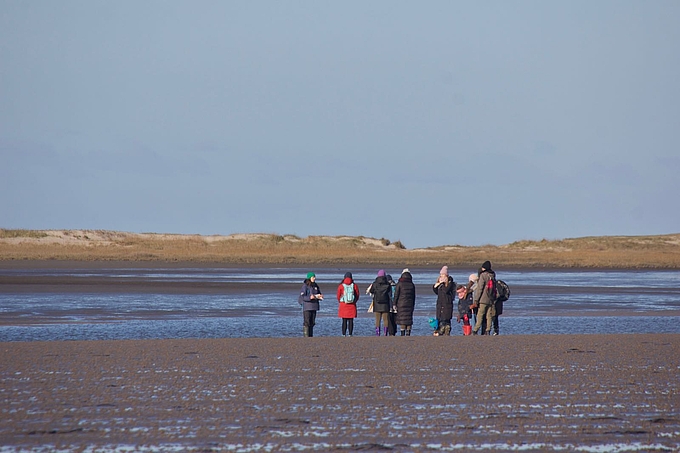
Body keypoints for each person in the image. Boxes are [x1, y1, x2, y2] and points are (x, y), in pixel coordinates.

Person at [472, 261, 496, 336]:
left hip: (483, 299)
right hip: (490, 298)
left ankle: (475, 330)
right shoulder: (492, 275)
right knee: (489, 315)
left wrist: (476, 299)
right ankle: (488, 330)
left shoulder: (483, 275)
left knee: (480, 315)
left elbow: (480, 288)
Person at [432, 265, 455, 336]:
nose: (441, 276)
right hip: (440, 304)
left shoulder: (450, 283)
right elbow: (437, 292)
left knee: (445, 319)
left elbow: (446, 290)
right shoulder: (440, 283)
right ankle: (439, 331)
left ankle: (445, 331)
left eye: (443, 275)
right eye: (441, 275)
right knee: (439, 318)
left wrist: (443, 283)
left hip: (447, 304)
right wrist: (436, 286)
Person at [368, 269, 392, 336]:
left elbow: (371, 291)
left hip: (377, 304)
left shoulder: (375, 284)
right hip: (385, 304)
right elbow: (390, 293)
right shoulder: (388, 284)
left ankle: (377, 333)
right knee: (385, 320)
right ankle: (385, 333)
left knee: (377, 320)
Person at [299, 272, 323, 337]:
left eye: (314, 277)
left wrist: (320, 296)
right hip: (307, 306)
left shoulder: (316, 285)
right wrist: (310, 297)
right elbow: (302, 296)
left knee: (312, 322)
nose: (314, 278)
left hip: (314, 306)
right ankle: (306, 337)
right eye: (313, 277)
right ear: (309, 278)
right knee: (307, 322)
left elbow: (319, 293)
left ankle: (311, 336)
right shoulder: (305, 286)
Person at [393, 268, 416, 336]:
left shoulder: (400, 283)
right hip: (410, 304)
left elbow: (396, 294)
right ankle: (408, 333)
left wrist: (394, 303)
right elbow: (413, 296)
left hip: (401, 304)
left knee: (402, 319)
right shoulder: (412, 284)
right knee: (408, 319)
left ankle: (402, 334)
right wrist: (413, 305)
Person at [336, 272, 359, 337]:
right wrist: (354, 301)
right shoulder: (354, 285)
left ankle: (343, 334)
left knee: (344, 320)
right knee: (351, 320)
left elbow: (338, 296)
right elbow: (357, 295)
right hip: (352, 305)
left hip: (343, 305)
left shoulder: (341, 286)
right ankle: (350, 334)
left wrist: (340, 302)